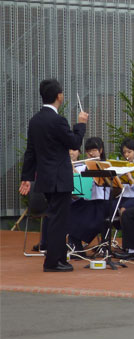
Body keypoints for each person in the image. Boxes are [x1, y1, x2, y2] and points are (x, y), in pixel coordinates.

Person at [19, 78, 88, 272]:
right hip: (60, 178)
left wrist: (26, 177)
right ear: (59, 96)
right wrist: (81, 124)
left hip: (45, 178)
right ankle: (53, 262)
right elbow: (74, 142)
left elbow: (30, 151)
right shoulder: (58, 120)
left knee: (55, 217)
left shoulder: (35, 120)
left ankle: (58, 259)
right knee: (60, 220)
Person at [68, 137, 111, 254]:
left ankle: (79, 244)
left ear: (101, 150)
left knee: (91, 216)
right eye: (88, 151)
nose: (91, 154)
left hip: (103, 202)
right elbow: (79, 189)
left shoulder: (108, 166)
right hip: (88, 202)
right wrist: (72, 169)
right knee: (71, 210)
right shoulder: (82, 167)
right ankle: (76, 245)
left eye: (94, 150)